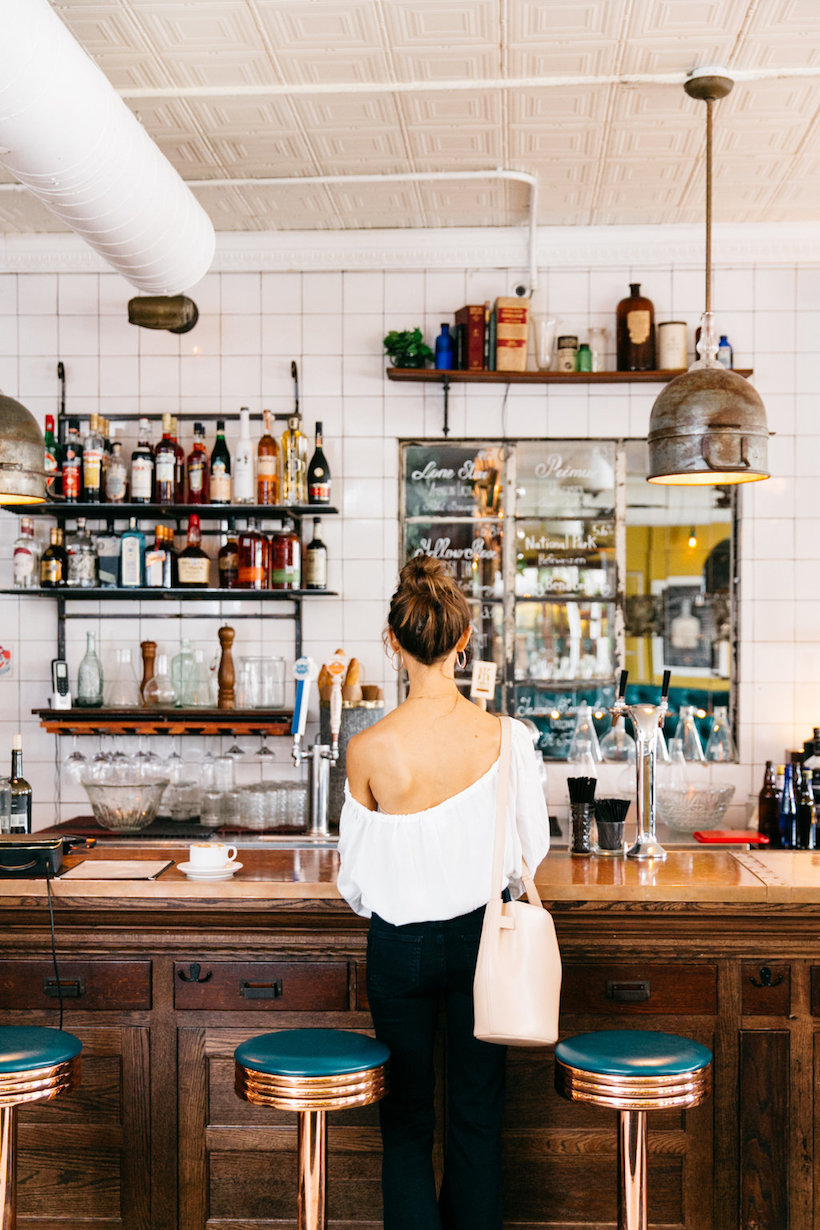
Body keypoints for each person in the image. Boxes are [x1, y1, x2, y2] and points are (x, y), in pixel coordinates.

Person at [337, 556, 550, 1230]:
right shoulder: (508, 739)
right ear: (464, 642)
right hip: (483, 941)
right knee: (477, 1116)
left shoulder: (368, 748)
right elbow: (531, 851)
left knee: (405, 1120)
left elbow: (356, 882)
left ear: (392, 642)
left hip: (398, 948)